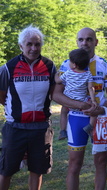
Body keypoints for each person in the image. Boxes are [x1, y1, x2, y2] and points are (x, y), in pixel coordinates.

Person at [52, 27, 107, 190]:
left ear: (96, 42)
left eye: (89, 39)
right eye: (81, 39)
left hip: (100, 119)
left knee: (101, 162)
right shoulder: (67, 64)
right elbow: (57, 95)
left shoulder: (106, 65)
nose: (84, 42)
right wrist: (80, 105)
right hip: (76, 118)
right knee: (74, 163)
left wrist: (100, 109)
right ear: (77, 41)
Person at [0, 25, 56, 190]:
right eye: (29, 44)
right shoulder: (8, 68)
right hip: (15, 127)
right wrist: (14, 109)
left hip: (41, 128)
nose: (33, 48)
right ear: (21, 46)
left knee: (37, 169)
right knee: (6, 170)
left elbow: (54, 93)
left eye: (37, 44)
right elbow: (1, 95)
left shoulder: (49, 66)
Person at [55, 48, 97, 137]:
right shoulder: (88, 74)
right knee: (94, 112)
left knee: (63, 112)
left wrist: (56, 74)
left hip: (69, 100)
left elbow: (58, 81)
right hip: (82, 100)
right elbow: (90, 88)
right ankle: (90, 126)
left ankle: (63, 131)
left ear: (74, 65)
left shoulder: (68, 73)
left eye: (70, 61)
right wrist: (93, 101)